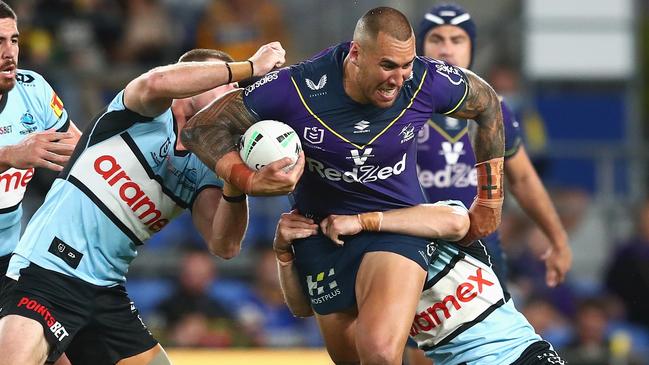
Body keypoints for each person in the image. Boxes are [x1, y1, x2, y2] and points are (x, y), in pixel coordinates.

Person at [181, 6, 505, 364]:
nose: (398, 79)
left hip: (394, 227)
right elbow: (200, 128)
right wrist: (249, 180)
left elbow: (486, 101)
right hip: (321, 234)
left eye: (406, 65)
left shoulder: (424, 80)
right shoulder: (298, 87)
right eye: (387, 66)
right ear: (355, 54)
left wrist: (490, 201)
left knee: (380, 353)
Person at [0, 43, 299, 365]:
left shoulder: (205, 169)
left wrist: (235, 179)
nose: (232, 93)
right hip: (47, 271)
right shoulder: (139, 112)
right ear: (191, 82)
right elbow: (158, 82)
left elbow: (224, 245)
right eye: (224, 82)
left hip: (105, 291)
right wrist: (251, 67)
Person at [273, 206, 567, 365]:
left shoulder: (424, 219)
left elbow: (456, 221)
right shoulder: (358, 270)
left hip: (524, 355)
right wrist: (285, 256)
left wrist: (364, 221)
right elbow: (304, 307)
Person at [416, 3, 571, 288]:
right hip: (416, 249)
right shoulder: (400, 108)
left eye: (457, 40)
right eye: (436, 39)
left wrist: (558, 240)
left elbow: (523, 179)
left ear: (471, 49)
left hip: (482, 250)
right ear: (420, 47)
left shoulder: (495, 109)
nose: (446, 49)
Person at [0, 0, 81, 286]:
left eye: (14, 40)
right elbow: (14, 155)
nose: (9, 53)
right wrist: (10, 155)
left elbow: (81, 152)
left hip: (11, 257)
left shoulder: (32, 89)